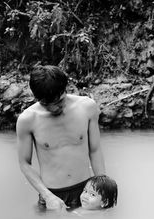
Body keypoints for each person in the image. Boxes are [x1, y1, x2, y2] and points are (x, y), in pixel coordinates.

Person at [16, 65, 106, 210]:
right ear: (39, 99)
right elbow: (24, 163)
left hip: (86, 191)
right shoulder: (27, 120)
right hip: (53, 194)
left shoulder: (87, 107)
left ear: (65, 90)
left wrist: (103, 187)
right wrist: (47, 196)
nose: (56, 108)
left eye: (60, 101)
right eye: (49, 104)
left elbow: (95, 150)